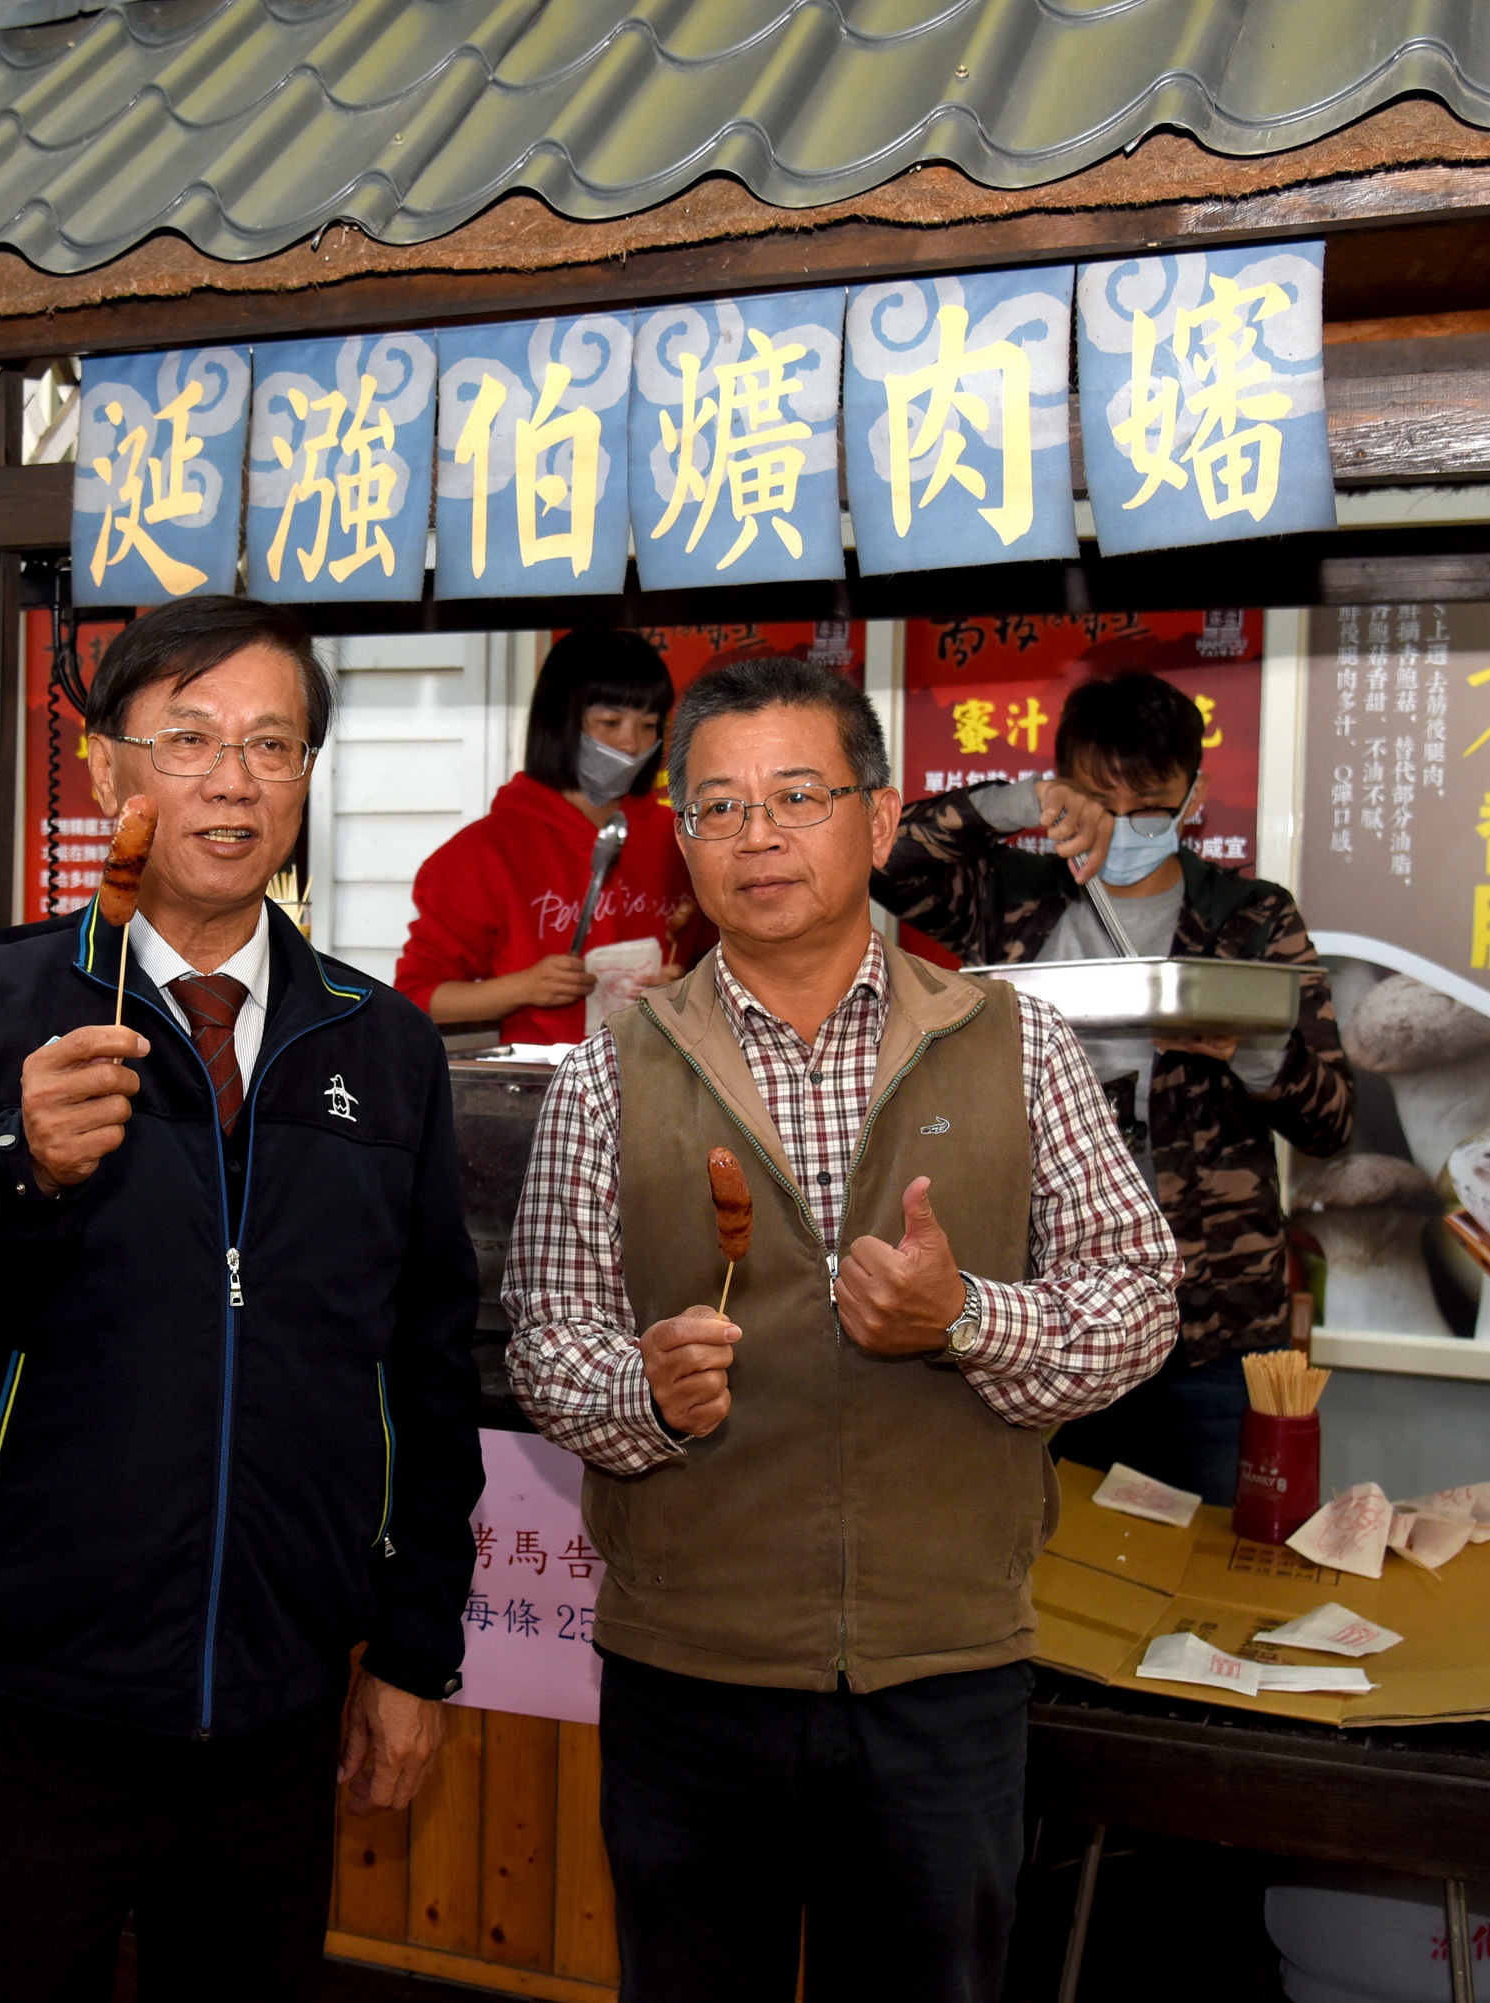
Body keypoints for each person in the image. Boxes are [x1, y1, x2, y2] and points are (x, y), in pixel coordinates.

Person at [0, 594, 482, 2003]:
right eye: (188, 738)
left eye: (274, 744)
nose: (234, 778)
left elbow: (427, 1371)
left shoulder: (384, 1045)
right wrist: (11, 1165)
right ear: (105, 770)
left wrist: (416, 1654)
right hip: (38, 1690)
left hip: (286, 1692)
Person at [502, 654, 1180, 2002]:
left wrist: (965, 1316)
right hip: (688, 1676)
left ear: (876, 820)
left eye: (798, 794)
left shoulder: (1014, 1042)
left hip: (944, 1673)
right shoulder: (609, 1070)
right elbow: (543, 1339)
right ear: (680, 834)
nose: (758, 834)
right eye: (717, 805)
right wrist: (642, 1388)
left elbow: (1139, 1300)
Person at [878, 666, 1354, 1504]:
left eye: (1149, 804)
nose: (1125, 823)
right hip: (1028, 1312)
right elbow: (887, 857)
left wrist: (1242, 1048)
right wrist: (1023, 803)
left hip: (1208, 1321)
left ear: (1193, 795)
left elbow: (1332, 1121)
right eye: (1100, 797)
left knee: (1204, 1578)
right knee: (1038, 1572)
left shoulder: (1250, 918)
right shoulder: (1010, 895)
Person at [398, 628, 712, 1044]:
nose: (631, 744)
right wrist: (522, 988)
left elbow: (736, 962)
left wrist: (688, 983)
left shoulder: (683, 837)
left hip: (662, 1076)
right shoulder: (483, 854)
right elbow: (416, 997)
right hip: (539, 1086)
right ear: (561, 720)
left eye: (649, 725)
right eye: (610, 722)